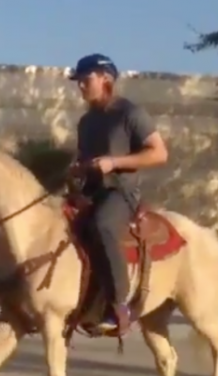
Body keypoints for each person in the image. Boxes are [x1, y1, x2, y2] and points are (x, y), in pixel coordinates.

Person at [69, 53, 169, 334]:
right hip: (89, 192)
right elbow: (84, 157)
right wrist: (77, 169)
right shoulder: (86, 122)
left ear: (106, 79)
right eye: (77, 81)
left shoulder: (130, 114)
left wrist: (114, 163)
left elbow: (159, 153)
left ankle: (118, 305)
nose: (80, 86)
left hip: (120, 193)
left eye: (85, 79)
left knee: (102, 226)